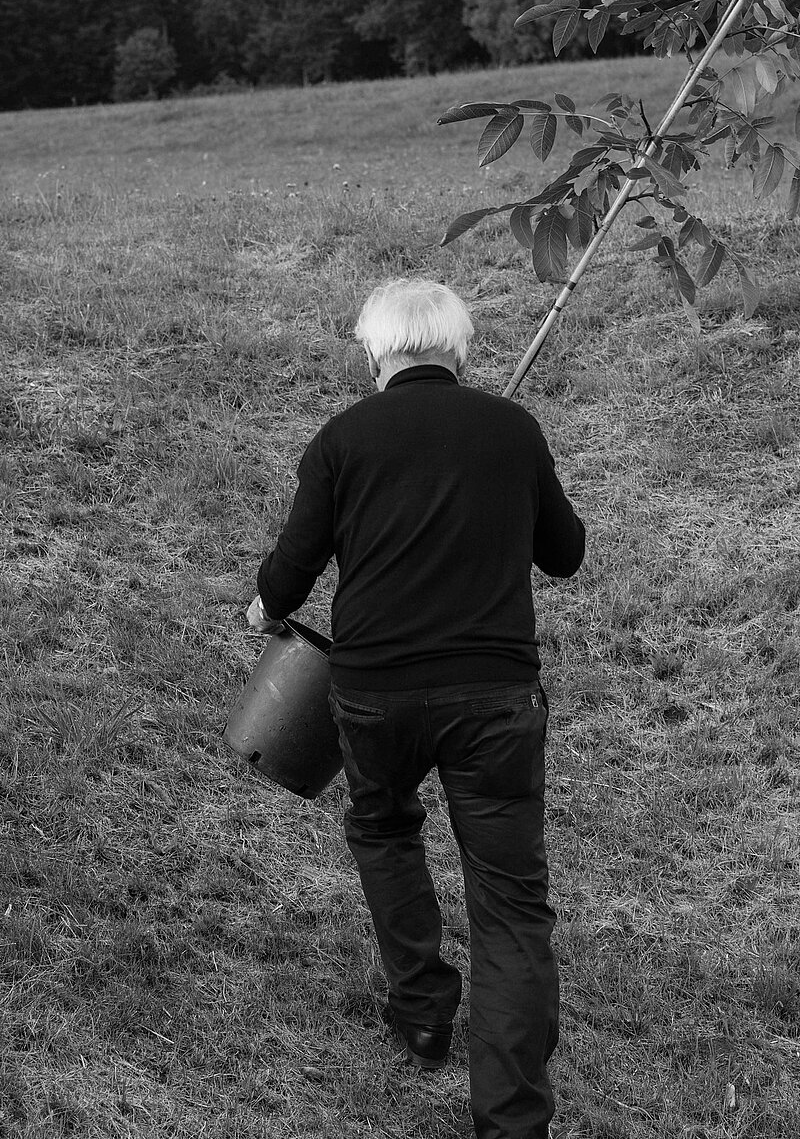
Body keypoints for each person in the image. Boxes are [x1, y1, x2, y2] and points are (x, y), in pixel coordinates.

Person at [247, 277, 586, 1139]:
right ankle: (511, 1121)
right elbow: (566, 554)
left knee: (384, 826)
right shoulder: (510, 430)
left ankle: (424, 1005)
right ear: (458, 349)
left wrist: (264, 606)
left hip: (374, 695)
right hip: (495, 700)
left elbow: (293, 566)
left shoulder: (343, 440)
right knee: (510, 903)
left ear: (377, 352)